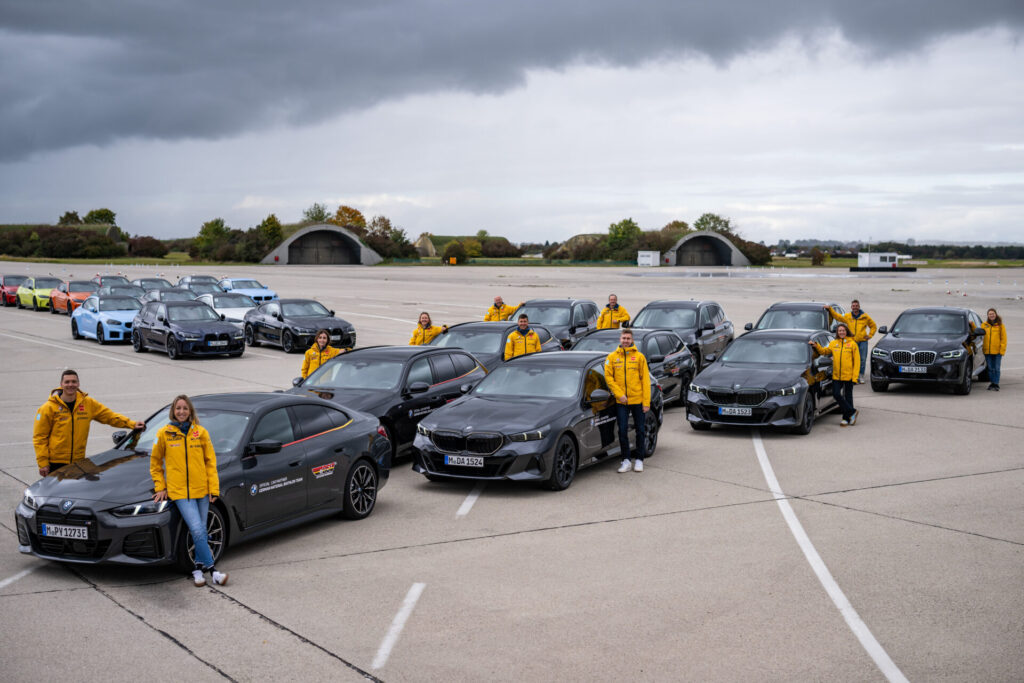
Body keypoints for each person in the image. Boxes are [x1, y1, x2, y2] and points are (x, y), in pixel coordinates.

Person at [150, 395, 228, 587]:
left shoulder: (200, 433)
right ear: (173, 411)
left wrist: (213, 488)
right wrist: (160, 487)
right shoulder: (164, 434)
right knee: (198, 530)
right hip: (180, 493)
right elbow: (155, 463)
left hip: (201, 490)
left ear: (190, 411)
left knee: (200, 532)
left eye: (185, 408)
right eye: (178, 409)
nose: (182, 412)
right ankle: (213, 571)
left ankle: (197, 571)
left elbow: (210, 462)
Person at [32, 369, 145, 477]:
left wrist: (131, 424)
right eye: (67, 382)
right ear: (61, 384)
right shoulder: (48, 408)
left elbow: (109, 416)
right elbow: (40, 437)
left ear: (78, 384)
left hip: (79, 462)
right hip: (55, 463)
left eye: (74, 381)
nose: (70, 384)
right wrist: (43, 463)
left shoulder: (87, 403)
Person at [604, 328, 651, 473]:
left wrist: (646, 403)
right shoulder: (612, 357)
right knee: (622, 430)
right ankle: (625, 460)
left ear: (632, 340)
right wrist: (619, 394)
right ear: (620, 339)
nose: (625, 340)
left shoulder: (639, 357)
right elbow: (609, 378)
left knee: (640, 430)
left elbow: (646, 381)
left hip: (637, 400)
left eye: (628, 338)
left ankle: (639, 459)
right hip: (621, 402)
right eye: (623, 338)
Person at [810, 323, 860, 426]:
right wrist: (816, 346)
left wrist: (855, 377)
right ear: (837, 332)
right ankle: (852, 412)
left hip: (849, 375)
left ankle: (846, 418)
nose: (841, 332)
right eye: (839, 331)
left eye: (843, 330)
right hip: (837, 375)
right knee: (836, 394)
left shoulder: (852, 344)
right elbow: (824, 351)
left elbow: (857, 362)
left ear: (846, 331)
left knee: (848, 397)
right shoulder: (834, 343)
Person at [825, 301, 876, 382]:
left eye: (856, 305)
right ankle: (853, 375)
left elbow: (873, 326)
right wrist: (830, 309)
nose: (855, 307)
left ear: (859, 306)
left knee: (862, 359)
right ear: (851, 307)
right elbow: (838, 317)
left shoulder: (865, 316)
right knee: (851, 359)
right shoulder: (848, 316)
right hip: (852, 341)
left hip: (862, 341)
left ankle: (861, 375)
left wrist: (870, 335)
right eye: (853, 306)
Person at [982, 308, 1007, 391]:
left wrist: (1002, 350)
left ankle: (996, 384)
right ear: (988, 315)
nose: (991, 315)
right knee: (990, 368)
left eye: (993, 314)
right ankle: (992, 383)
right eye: (990, 314)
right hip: (987, 351)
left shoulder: (1000, 325)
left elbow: (1004, 339)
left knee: (996, 368)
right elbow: (979, 332)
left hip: (997, 351)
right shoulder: (984, 325)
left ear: (995, 314)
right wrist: (972, 325)